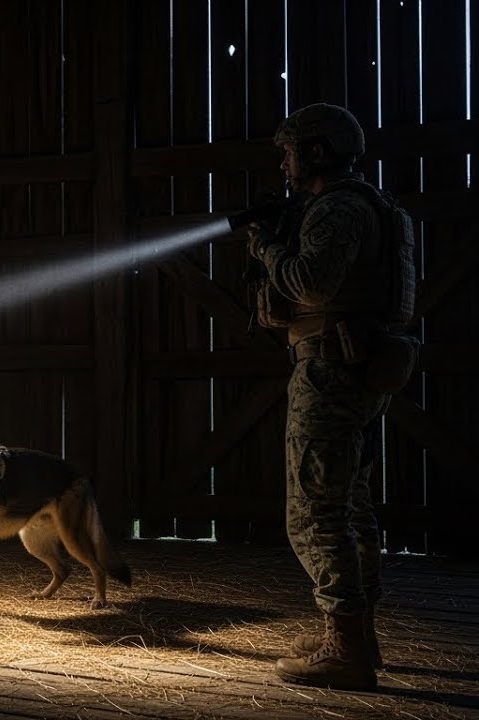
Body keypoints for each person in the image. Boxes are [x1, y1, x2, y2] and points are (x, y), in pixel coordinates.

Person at [247, 102, 418, 691]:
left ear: (317, 152)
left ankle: (344, 648)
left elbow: (311, 281)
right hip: (360, 371)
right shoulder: (375, 206)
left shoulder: (339, 208)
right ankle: (357, 636)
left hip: (330, 375)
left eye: (291, 151)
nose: (286, 163)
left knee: (314, 513)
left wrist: (268, 249)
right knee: (352, 508)